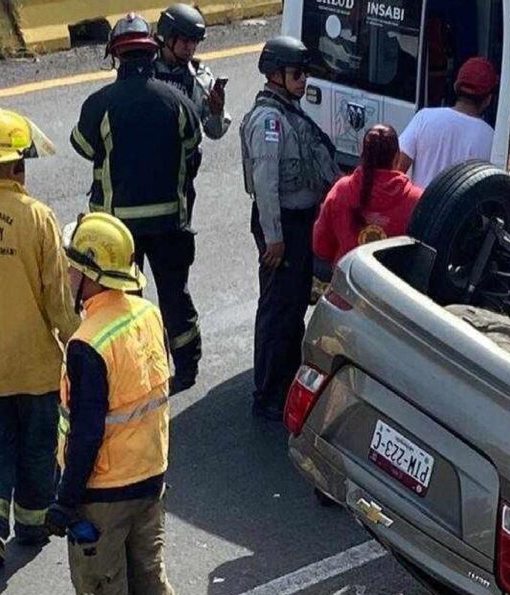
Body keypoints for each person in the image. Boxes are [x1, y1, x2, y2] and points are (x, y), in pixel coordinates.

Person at [71, 13, 203, 394]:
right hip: (171, 227)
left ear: (116, 57)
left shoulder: (101, 104)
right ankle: (187, 368)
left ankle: (136, 369)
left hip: (118, 231)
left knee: (125, 303)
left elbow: (82, 146)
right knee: (175, 296)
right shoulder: (178, 101)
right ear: (152, 51)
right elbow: (194, 153)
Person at [45, 213, 174, 595]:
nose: (66, 275)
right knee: (151, 583)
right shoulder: (149, 314)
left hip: (104, 495)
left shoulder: (88, 344)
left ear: (91, 275)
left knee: (102, 589)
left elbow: (86, 434)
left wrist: (65, 501)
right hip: (151, 480)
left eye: (72, 268)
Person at [0, 109, 79, 567]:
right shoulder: (38, 218)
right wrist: (79, 342)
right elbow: (57, 298)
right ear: (19, 164)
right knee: (38, 447)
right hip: (35, 365)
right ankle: (33, 524)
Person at [240, 36, 340, 421]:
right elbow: (265, 185)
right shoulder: (269, 122)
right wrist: (275, 238)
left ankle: (282, 383)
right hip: (283, 225)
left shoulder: (288, 113)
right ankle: (267, 392)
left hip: (298, 223)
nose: (303, 82)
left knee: (294, 304)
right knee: (278, 310)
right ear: (276, 75)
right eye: (297, 75)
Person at [313, 124, 422, 265]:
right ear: (397, 156)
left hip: (347, 281)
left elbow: (320, 246)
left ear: (362, 153)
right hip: (390, 284)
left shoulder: (341, 191)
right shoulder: (417, 200)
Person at [398, 57, 499, 188]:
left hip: (420, 207)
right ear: (488, 99)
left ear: (455, 87)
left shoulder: (424, 118)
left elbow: (397, 170)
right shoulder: (491, 138)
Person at [155, 3, 232, 142]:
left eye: (195, 42)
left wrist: (217, 113)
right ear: (168, 37)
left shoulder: (200, 78)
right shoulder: (143, 69)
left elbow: (215, 132)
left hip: (185, 160)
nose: (191, 47)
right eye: (185, 41)